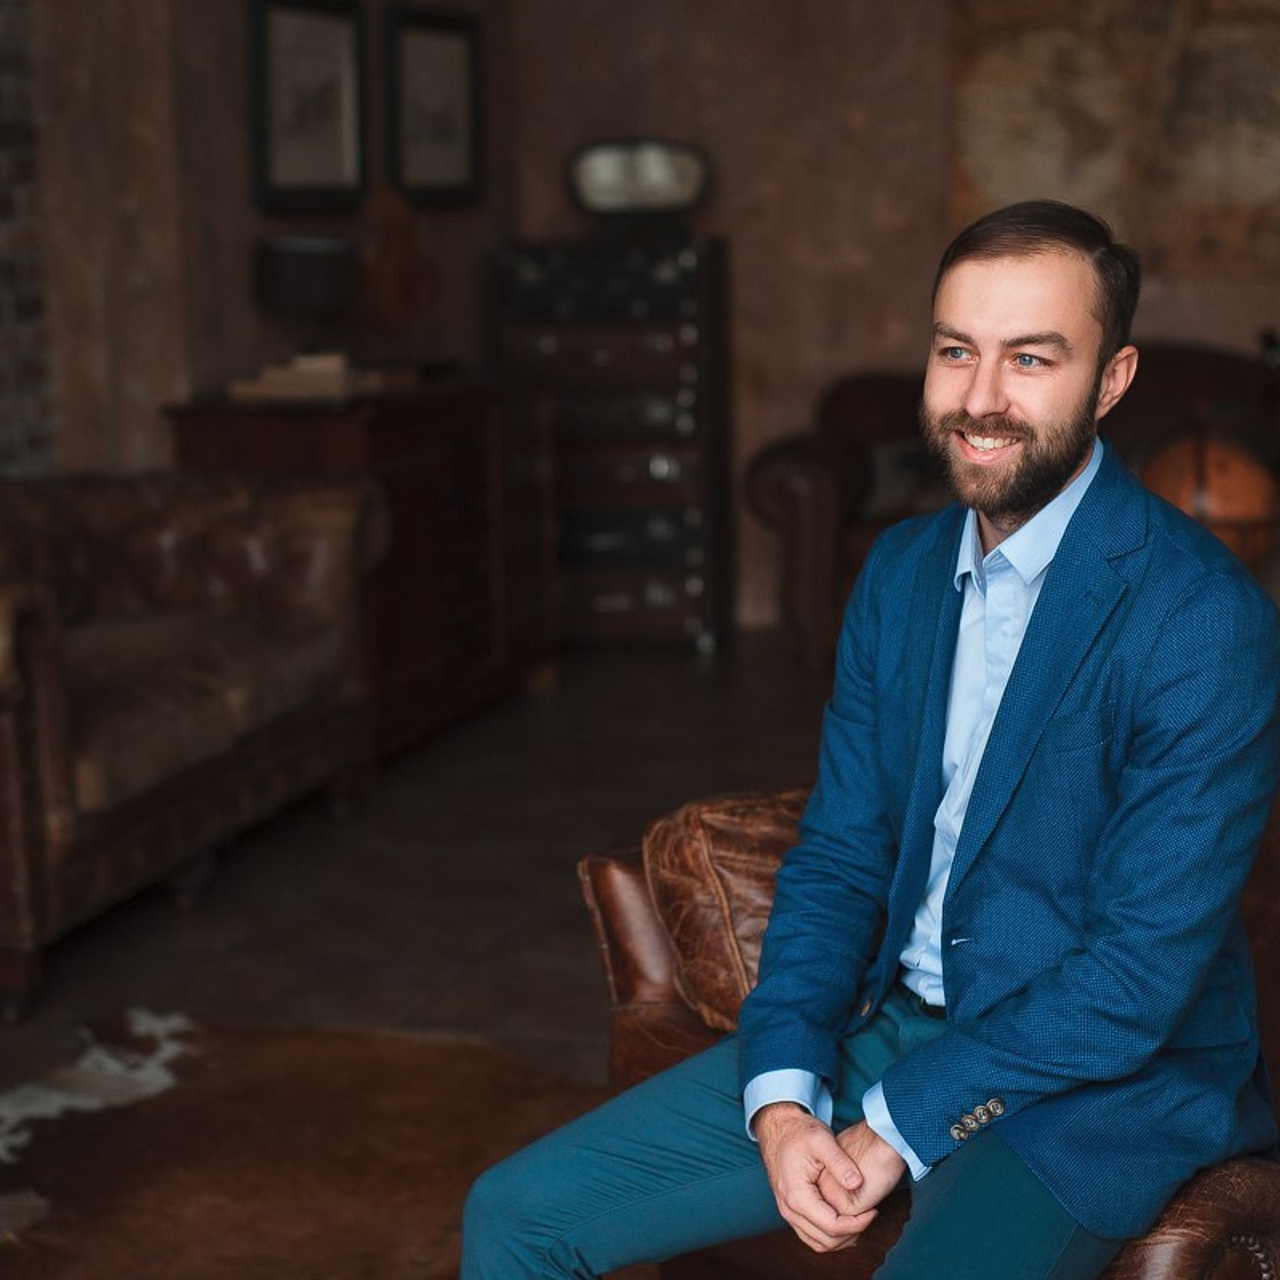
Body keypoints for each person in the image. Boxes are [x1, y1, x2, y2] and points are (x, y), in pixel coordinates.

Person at [461, 200, 1280, 1280]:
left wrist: (892, 1123)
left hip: (1097, 1083)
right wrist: (784, 1092)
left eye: (1030, 359)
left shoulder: (1200, 617)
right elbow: (842, 853)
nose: (979, 399)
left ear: (1110, 380)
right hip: (896, 1024)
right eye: (955, 351)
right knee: (514, 1213)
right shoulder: (897, 573)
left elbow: (1132, 978)